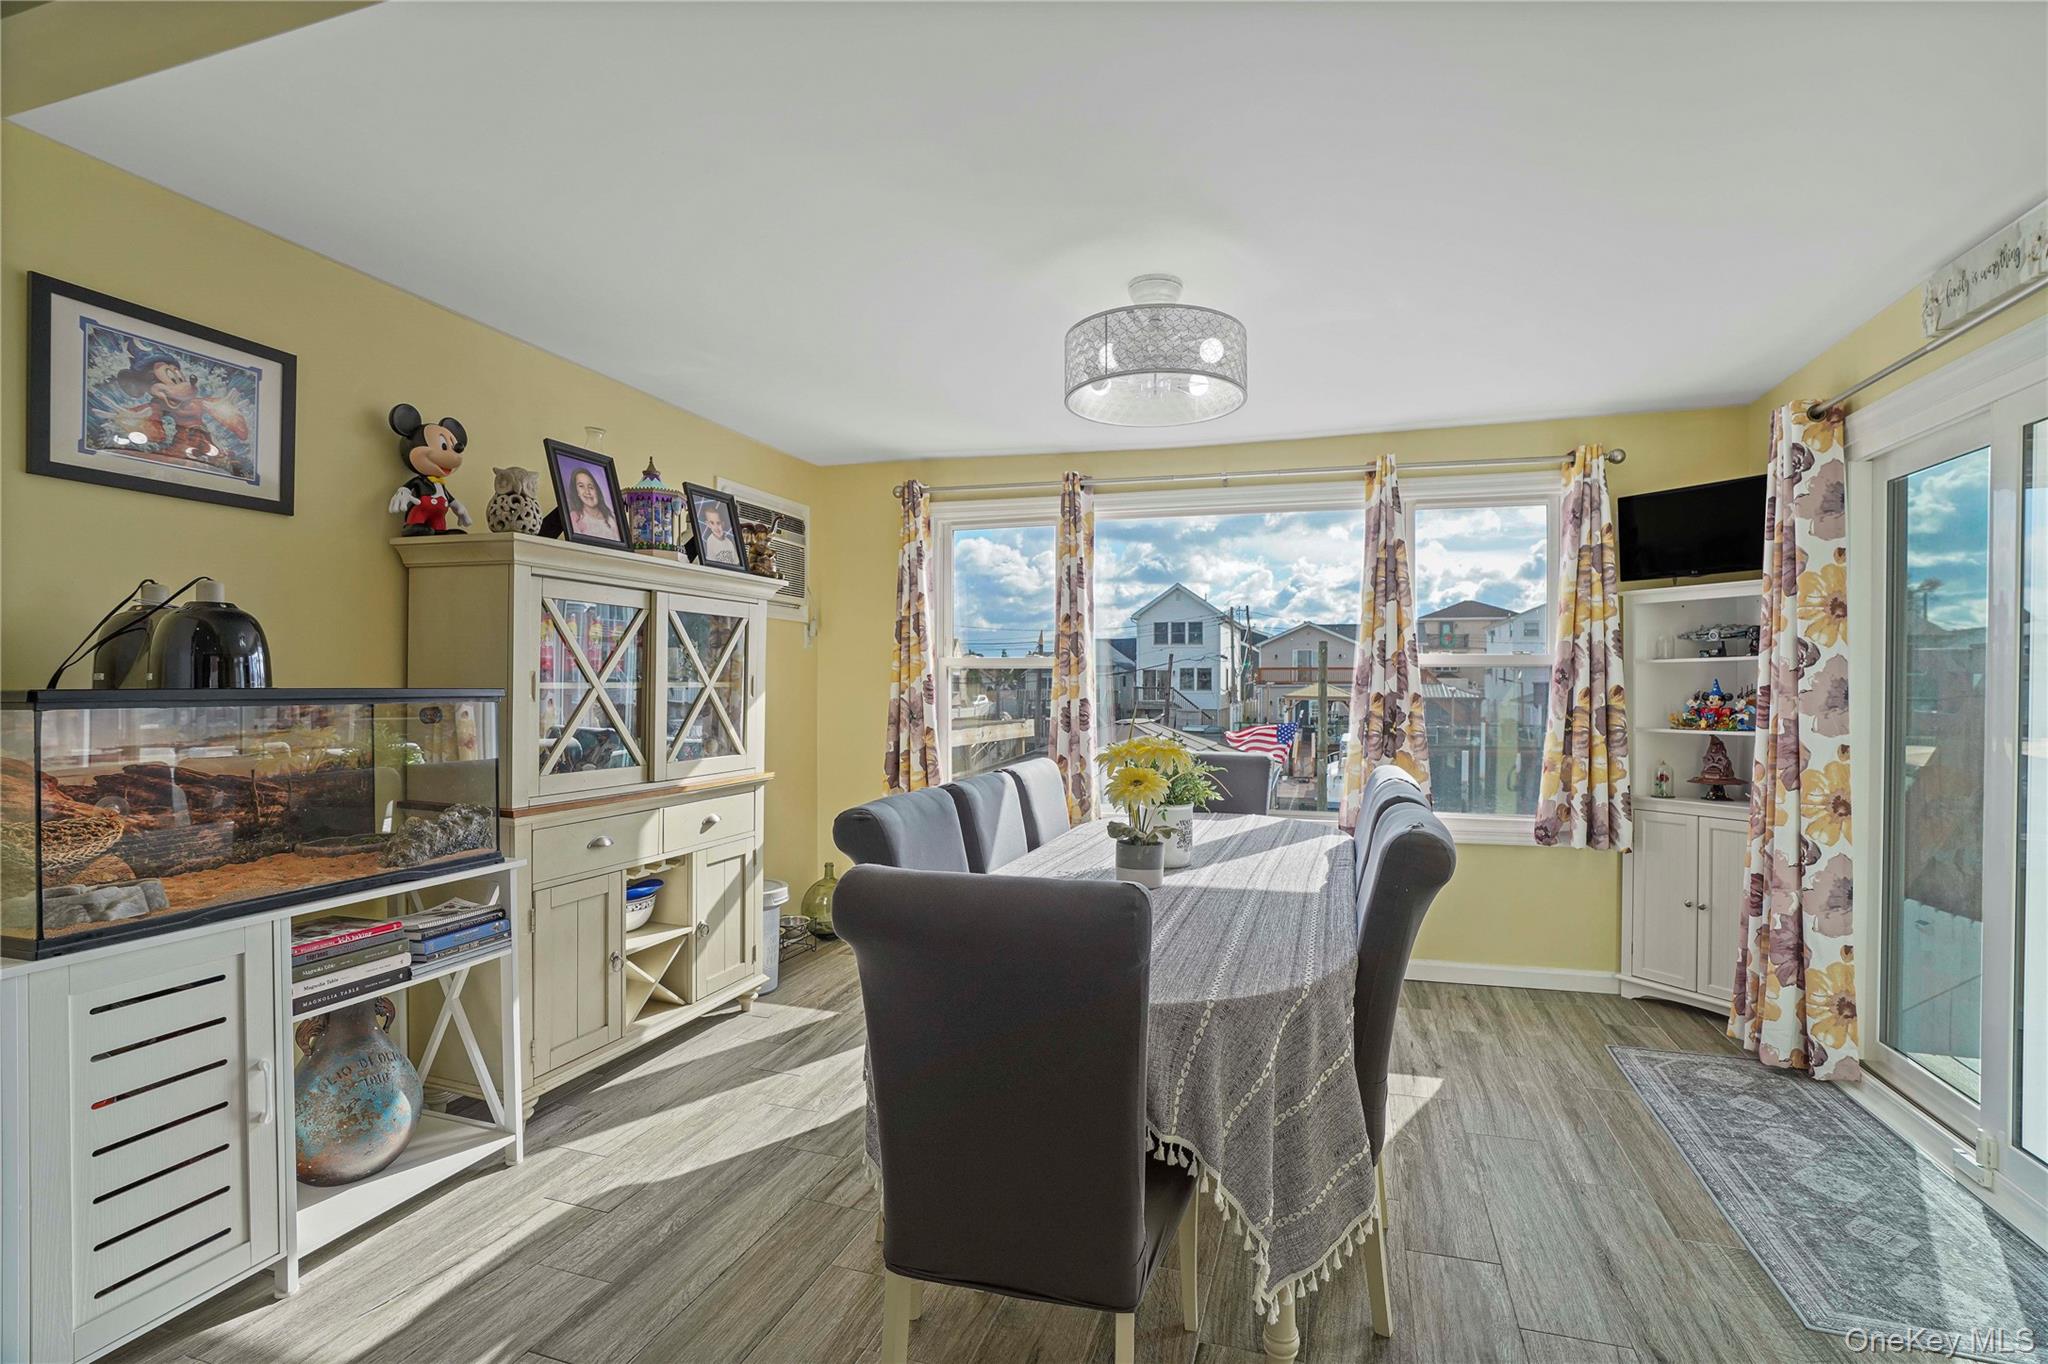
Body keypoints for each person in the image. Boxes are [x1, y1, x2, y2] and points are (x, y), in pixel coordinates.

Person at [567, 466, 619, 540]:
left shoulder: (612, 518)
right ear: (576, 492)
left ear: (597, 490)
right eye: (581, 486)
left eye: (591, 487)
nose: (587, 492)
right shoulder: (575, 518)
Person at [696, 498, 741, 564]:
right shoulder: (710, 541)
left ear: (723, 524)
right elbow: (710, 564)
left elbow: (736, 563)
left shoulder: (729, 542)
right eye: (712, 523)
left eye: (718, 523)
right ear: (708, 524)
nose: (716, 527)